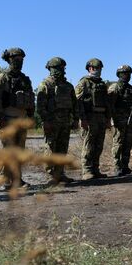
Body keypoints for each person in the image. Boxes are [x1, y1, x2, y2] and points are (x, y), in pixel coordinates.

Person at [0, 47, 35, 188]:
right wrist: (1, 119)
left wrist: (30, 115)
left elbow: (30, 98)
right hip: (7, 119)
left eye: (21, 59)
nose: (19, 62)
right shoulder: (2, 79)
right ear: (9, 60)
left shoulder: (25, 79)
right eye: (16, 59)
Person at [37, 57, 79, 185]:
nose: (59, 70)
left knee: (62, 148)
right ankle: (51, 175)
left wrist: (76, 119)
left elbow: (74, 104)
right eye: (56, 68)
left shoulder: (68, 86)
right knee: (50, 149)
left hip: (65, 121)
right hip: (52, 121)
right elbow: (40, 106)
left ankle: (60, 174)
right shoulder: (45, 84)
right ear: (50, 69)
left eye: (61, 67)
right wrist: (46, 121)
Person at [75, 58, 111, 180]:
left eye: (99, 68)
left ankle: (95, 169)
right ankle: (87, 171)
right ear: (89, 69)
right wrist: (82, 119)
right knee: (89, 145)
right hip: (89, 118)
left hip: (101, 117)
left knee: (99, 145)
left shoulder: (102, 84)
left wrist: (107, 119)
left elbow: (107, 103)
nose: (98, 70)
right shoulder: (84, 82)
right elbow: (78, 102)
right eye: (95, 68)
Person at [108, 65, 132, 176]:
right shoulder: (114, 87)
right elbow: (110, 105)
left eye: (128, 73)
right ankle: (117, 167)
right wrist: (112, 119)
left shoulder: (130, 88)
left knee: (128, 143)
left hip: (129, 120)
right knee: (118, 144)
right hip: (118, 120)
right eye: (124, 73)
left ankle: (125, 166)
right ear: (119, 74)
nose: (127, 75)